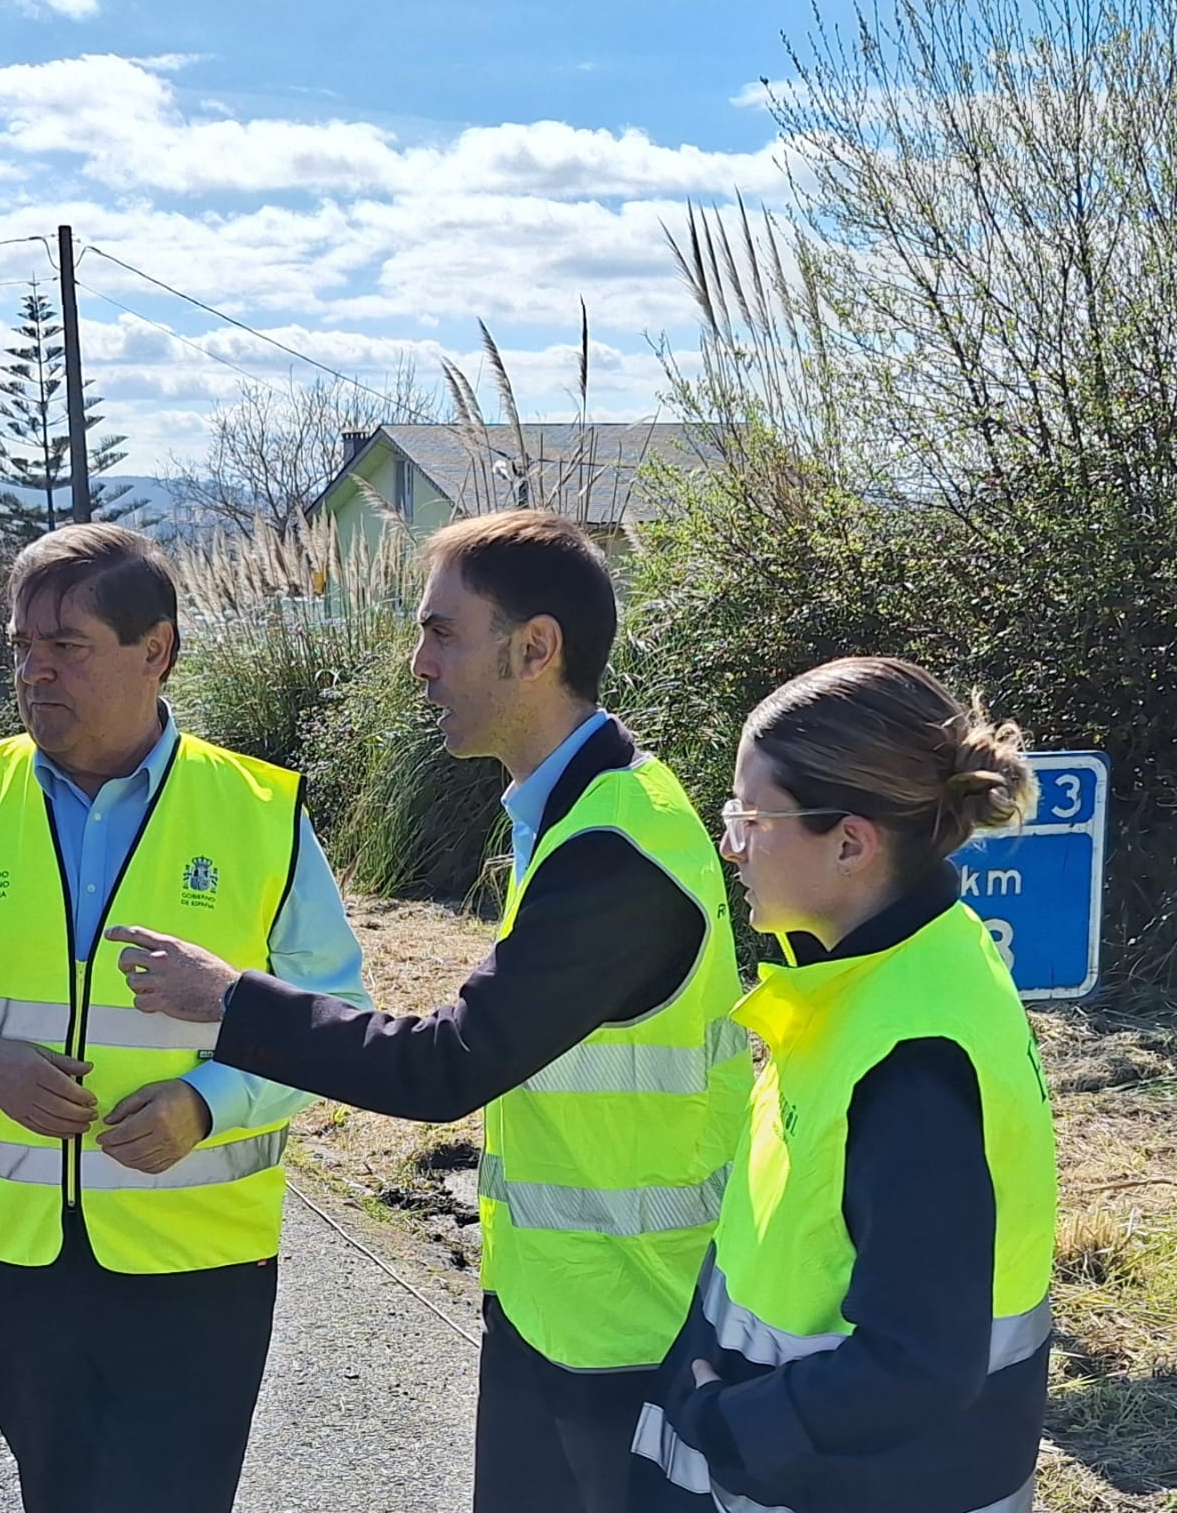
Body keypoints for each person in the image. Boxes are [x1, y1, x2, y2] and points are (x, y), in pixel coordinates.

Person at [111, 509, 749, 1513]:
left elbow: (447, 1065)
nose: (417, 664)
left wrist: (230, 999)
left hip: (622, 1327)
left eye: (441, 633)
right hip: (568, 1305)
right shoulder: (595, 811)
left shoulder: (611, 850)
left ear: (534, 649)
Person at [0, 523, 371, 1513]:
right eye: (19, 646)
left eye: (66, 646)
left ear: (154, 651)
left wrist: (207, 1106)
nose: (34, 672)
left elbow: (332, 1014)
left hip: (196, 1269)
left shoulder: (257, 810)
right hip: (13, 1264)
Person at [626, 657, 1058, 1513]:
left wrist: (726, 1421)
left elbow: (920, 1365)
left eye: (750, 816)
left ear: (852, 844)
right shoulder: (892, 966)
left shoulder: (909, 1058)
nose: (731, 843)